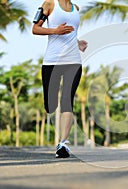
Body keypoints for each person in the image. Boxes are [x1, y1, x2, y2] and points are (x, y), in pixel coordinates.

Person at [32, 0, 87, 158]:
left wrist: (77, 43)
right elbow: (35, 29)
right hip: (52, 61)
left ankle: (63, 144)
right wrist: (55, 31)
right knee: (50, 105)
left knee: (67, 101)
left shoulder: (76, 9)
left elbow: (70, 33)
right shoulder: (49, 4)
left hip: (73, 61)